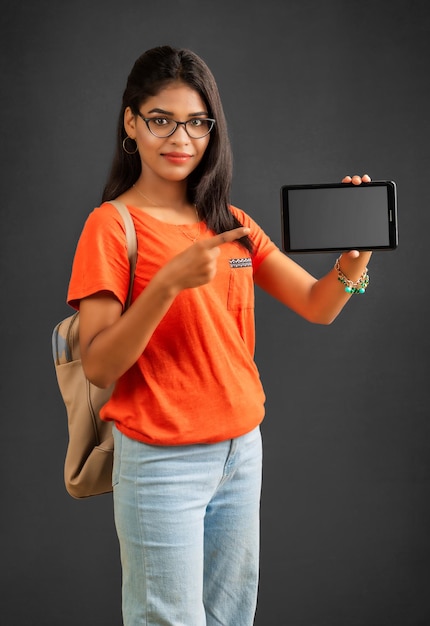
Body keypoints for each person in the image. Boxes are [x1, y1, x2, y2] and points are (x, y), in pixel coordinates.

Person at [67, 45, 372, 626]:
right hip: (161, 458)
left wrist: (354, 261)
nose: (180, 138)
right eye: (161, 119)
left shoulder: (230, 223)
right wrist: (165, 286)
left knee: (233, 618)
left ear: (212, 129)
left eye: (197, 123)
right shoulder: (111, 226)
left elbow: (318, 305)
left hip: (240, 451)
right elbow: (100, 365)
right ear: (131, 123)